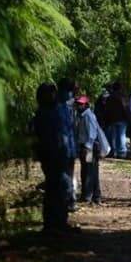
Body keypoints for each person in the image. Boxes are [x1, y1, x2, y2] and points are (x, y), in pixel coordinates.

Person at [33, 83, 69, 232]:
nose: (53, 96)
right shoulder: (44, 113)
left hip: (58, 155)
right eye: (51, 93)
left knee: (58, 188)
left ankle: (58, 222)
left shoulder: (55, 110)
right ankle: (54, 223)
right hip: (51, 155)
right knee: (56, 188)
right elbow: (48, 136)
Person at [75, 95, 103, 205]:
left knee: (88, 172)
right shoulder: (80, 116)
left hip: (89, 148)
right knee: (90, 171)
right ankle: (95, 195)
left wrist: (87, 147)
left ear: (86, 105)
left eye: (81, 104)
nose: (79, 106)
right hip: (86, 146)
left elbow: (92, 133)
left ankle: (88, 195)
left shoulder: (88, 116)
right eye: (78, 104)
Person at [57, 78, 78, 212]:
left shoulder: (59, 105)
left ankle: (68, 201)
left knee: (65, 176)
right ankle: (69, 201)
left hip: (64, 147)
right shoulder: (68, 106)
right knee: (68, 176)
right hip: (68, 147)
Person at [104, 82, 130, 159]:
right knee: (122, 136)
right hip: (122, 118)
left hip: (113, 119)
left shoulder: (110, 97)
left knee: (114, 136)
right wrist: (128, 117)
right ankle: (122, 152)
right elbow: (125, 108)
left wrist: (108, 118)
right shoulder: (122, 97)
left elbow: (107, 109)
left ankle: (114, 151)